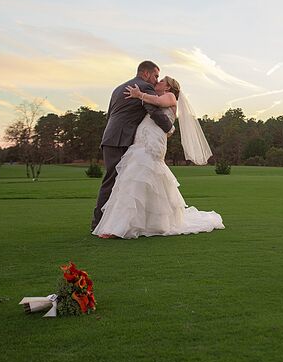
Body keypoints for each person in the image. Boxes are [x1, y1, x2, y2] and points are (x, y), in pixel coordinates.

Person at [92, 75, 224, 239]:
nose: (158, 82)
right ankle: (143, 223)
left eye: (162, 81)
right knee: (134, 178)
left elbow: (159, 104)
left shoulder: (169, 97)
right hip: (141, 141)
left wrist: (138, 94)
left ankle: (120, 228)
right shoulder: (156, 98)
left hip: (152, 143)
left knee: (136, 177)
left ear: (168, 87)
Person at [90, 61, 174, 232]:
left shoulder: (119, 88)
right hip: (122, 140)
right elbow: (154, 111)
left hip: (111, 138)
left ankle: (111, 223)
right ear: (145, 73)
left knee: (117, 181)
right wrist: (169, 128)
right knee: (115, 181)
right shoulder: (143, 87)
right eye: (155, 76)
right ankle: (101, 224)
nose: (156, 80)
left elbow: (111, 114)